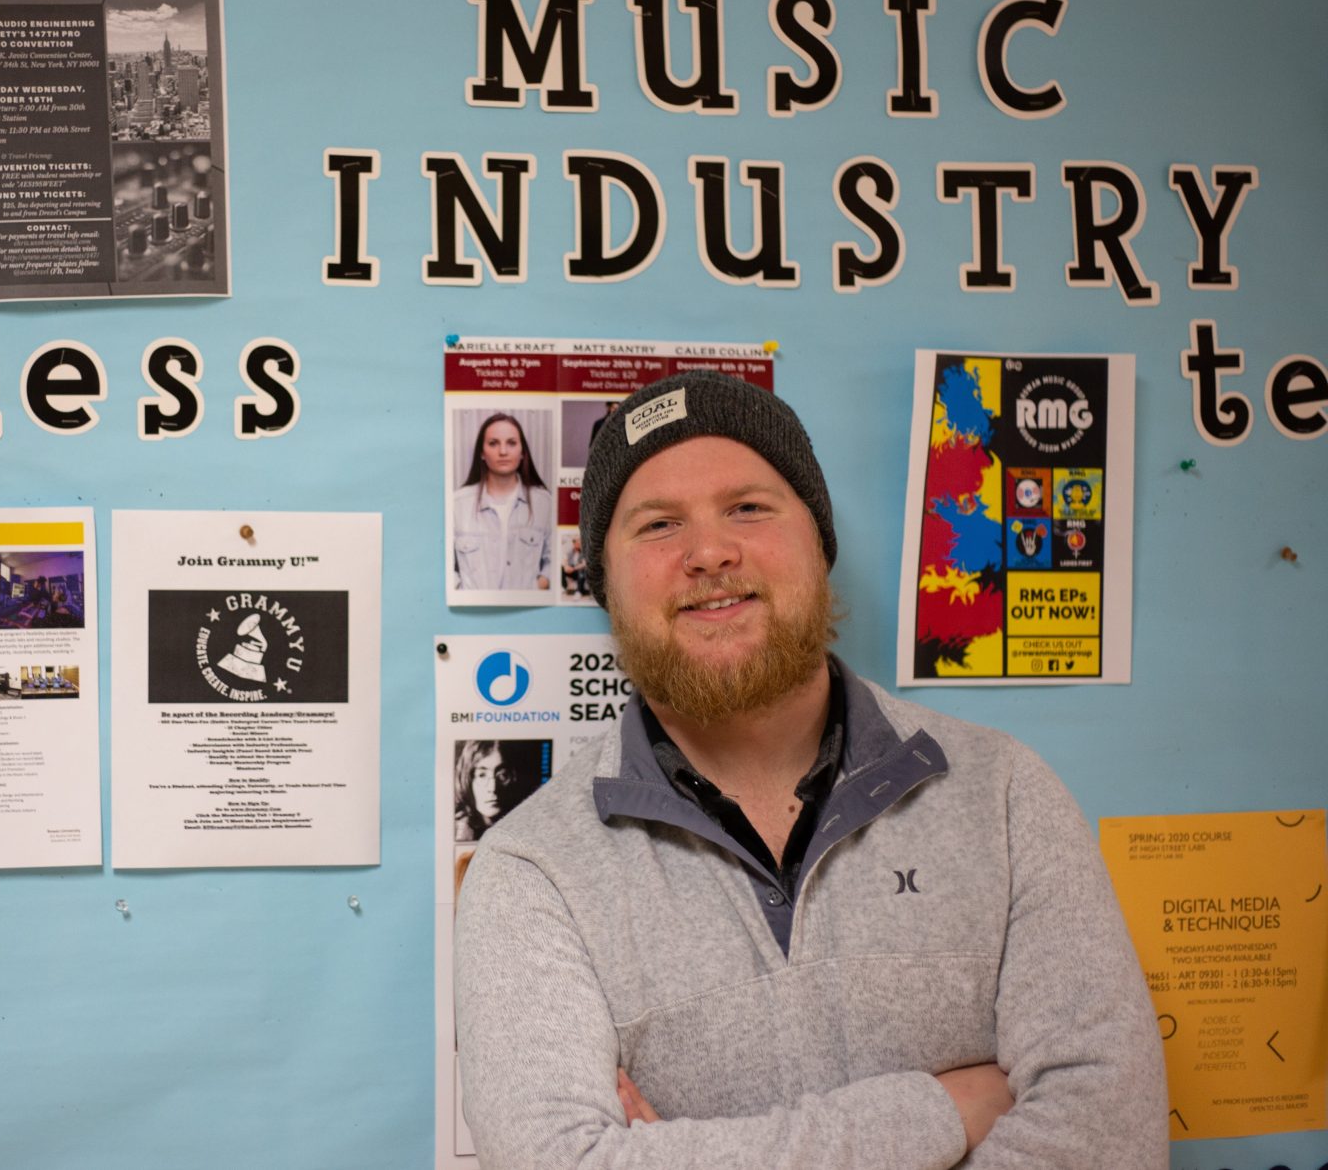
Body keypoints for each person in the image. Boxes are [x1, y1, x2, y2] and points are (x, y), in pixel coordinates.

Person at [454, 370, 1165, 1168]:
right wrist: (939, 1109)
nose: (710, 551)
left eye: (749, 508)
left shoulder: (1002, 795)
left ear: (819, 541)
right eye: (657, 525)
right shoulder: (532, 871)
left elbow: (1112, 1136)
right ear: (605, 582)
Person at [453, 412, 554, 591]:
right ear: (482, 453)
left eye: (511, 443)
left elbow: (553, 562)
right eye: (493, 443)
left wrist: (537, 587)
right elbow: (445, 567)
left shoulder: (544, 503)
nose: (503, 451)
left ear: (522, 452)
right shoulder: (457, 503)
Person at [452, 740, 516, 842]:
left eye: (502, 775)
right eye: (482, 775)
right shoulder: (455, 832)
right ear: (467, 780)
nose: (493, 788)